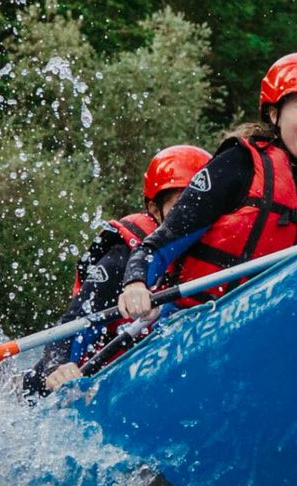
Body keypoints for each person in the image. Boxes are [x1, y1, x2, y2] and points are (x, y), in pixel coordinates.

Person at [119, 51, 297, 322]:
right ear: (274, 114)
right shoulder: (238, 164)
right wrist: (135, 282)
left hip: (275, 327)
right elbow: (160, 243)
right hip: (197, 325)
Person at [24, 143, 212, 395]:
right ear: (155, 210)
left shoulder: (212, 255)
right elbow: (73, 321)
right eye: (181, 205)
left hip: (150, 375)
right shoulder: (121, 259)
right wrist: (57, 367)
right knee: (32, 383)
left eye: (200, 204)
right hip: (83, 378)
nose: (191, 215)